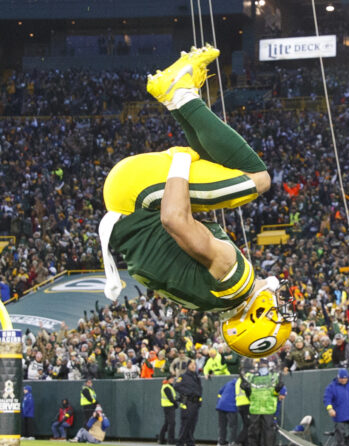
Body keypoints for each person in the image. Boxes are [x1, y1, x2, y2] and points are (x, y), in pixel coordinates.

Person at [97, 45, 293, 363]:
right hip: (124, 205)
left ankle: (181, 94)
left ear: (258, 315)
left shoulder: (234, 277)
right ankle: (175, 95)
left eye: (276, 313)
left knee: (258, 179)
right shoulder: (212, 300)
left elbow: (174, 219)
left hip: (136, 192)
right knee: (227, 173)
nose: (279, 304)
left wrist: (180, 162)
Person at [240, 365, 285, 446]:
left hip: (266, 407)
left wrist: (278, 389)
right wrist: (246, 389)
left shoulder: (273, 377)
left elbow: (275, 392)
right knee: (254, 430)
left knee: (268, 430)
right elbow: (249, 392)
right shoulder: (252, 377)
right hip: (258, 407)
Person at [175, 357, 203, 446]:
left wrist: (199, 399)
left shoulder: (196, 377)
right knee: (186, 423)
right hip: (187, 402)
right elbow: (177, 386)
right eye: (191, 365)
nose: (193, 366)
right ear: (187, 366)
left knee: (192, 424)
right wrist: (188, 392)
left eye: (194, 365)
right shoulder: (183, 376)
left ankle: (190, 442)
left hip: (195, 403)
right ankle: (180, 443)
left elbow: (199, 389)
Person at [215, 375, 242, 446]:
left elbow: (220, 392)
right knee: (233, 426)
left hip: (221, 406)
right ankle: (232, 442)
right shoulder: (241, 385)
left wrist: (219, 401)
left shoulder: (229, 383)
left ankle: (221, 442)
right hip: (231, 406)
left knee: (222, 425)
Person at [157, 375, 178, 445]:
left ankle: (161, 439)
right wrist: (176, 404)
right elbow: (170, 398)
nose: (173, 380)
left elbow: (172, 397)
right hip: (169, 406)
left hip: (167, 406)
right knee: (172, 423)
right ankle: (170, 440)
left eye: (173, 379)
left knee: (167, 423)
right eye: (171, 379)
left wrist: (177, 400)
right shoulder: (167, 387)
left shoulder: (167, 386)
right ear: (168, 379)